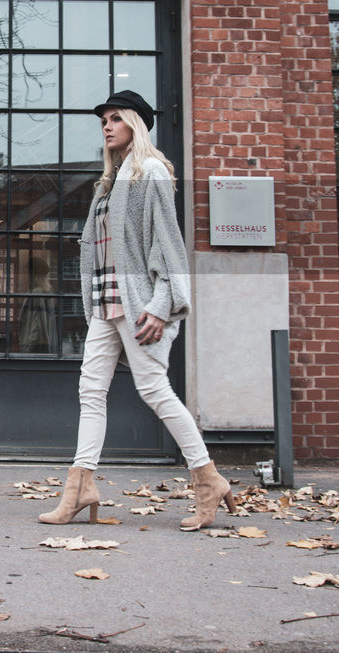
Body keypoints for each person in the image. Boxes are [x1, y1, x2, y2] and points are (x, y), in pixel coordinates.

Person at [38, 89, 236, 531]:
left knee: (154, 391)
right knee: (91, 391)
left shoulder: (150, 172)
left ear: (135, 124)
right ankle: (80, 487)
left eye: (115, 118)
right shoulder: (109, 182)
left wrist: (162, 305)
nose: (106, 126)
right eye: (103, 120)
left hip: (137, 303)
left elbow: (169, 244)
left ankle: (208, 480)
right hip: (106, 303)